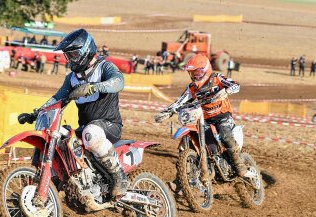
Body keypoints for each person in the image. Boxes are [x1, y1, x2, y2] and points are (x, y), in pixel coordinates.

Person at [17, 29, 128, 202]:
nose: (71, 59)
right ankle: (47, 184)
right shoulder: (72, 78)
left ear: (86, 50)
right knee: (58, 135)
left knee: (90, 133)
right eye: (68, 56)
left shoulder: (104, 66)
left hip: (109, 126)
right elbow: (57, 98)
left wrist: (93, 87)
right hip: (85, 128)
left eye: (74, 54)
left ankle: (119, 177)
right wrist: (36, 113)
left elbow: (119, 82)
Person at [154, 54, 248, 192]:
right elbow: (180, 101)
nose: (194, 76)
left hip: (222, 116)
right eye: (192, 73)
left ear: (205, 69)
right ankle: (181, 181)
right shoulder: (192, 88)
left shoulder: (217, 78)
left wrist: (226, 90)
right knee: (189, 145)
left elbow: (236, 85)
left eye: (197, 72)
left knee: (225, 136)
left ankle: (240, 166)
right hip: (203, 119)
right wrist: (167, 112)